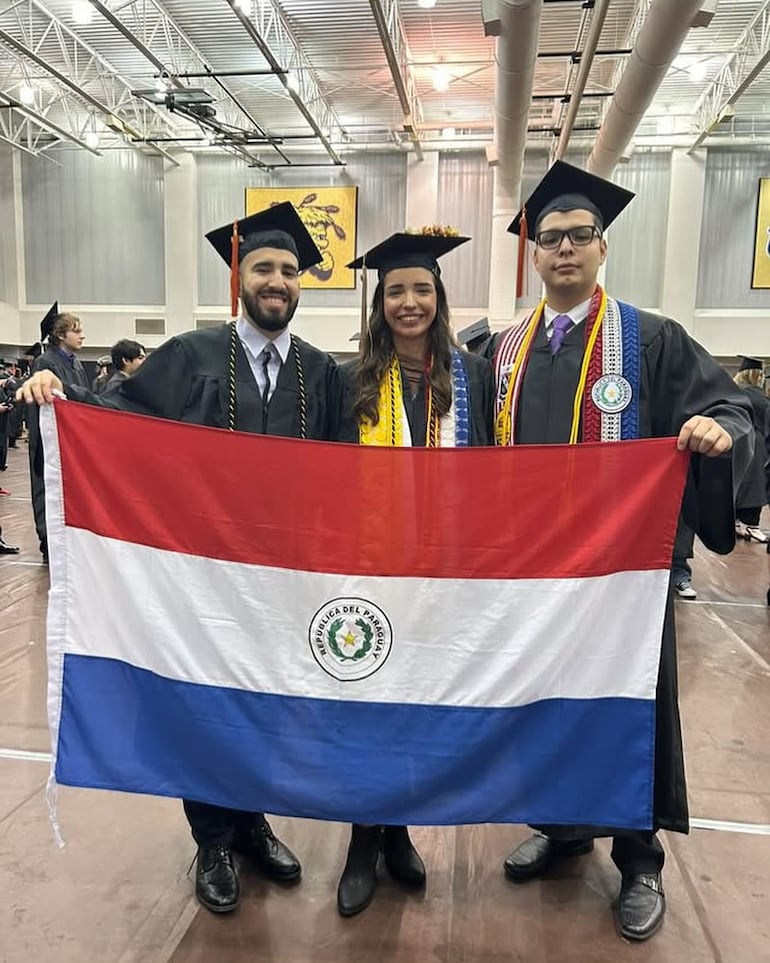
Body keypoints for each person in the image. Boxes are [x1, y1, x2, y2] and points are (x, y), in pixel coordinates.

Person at [19, 202, 340, 915]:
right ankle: (215, 838)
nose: (277, 280)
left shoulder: (320, 372)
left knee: (268, 704)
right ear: (239, 279)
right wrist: (59, 393)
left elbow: (346, 472)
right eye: (263, 267)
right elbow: (116, 412)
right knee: (204, 707)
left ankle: (252, 819)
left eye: (289, 270)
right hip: (203, 582)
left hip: (285, 582)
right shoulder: (192, 355)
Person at [484, 161, 753, 942]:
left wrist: (718, 432)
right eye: (549, 239)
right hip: (530, 579)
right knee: (544, 704)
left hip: (621, 582)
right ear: (534, 255)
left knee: (632, 708)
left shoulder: (652, 340)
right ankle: (563, 828)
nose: (563, 249)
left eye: (579, 236)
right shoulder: (502, 352)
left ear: (602, 249)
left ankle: (639, 859)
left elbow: (730, 405)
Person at [335, 230, 495, 916]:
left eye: (421, 289)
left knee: (421, 704)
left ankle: (397, 828)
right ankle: (361, 839)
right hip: (369, 572)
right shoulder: (351, 381)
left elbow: (492, 474)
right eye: (396, 290)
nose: (409, 302)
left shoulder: (473, 376)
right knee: (366, 705)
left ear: (439, 296)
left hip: (446, 572)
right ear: (380, 302)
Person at [27, 306, 88, 561]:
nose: (82, 335)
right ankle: (48, 541)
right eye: (77, 330)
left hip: (74, 437)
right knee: (47, 486)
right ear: (61, 334)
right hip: (50, 436)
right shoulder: (46, 363)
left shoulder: (77, 365)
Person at [732, 356, 769, 543]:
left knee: (737, 483)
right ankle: (752, 526)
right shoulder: (757, 396)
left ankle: (736, 523)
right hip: (756, 444)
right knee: (756, 485)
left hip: (737, 441)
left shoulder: (732, 391)